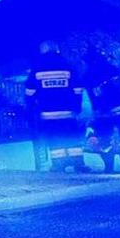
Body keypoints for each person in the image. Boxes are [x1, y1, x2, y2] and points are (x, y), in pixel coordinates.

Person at [25, 42, 84, 171]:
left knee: (54, 138)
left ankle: (59, 165)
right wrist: (77, 107)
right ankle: (78, 163)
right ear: (57, 49)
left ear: (43, 51)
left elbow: (29, 92)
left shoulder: (37, 68)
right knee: (72, 137)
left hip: (48, 113)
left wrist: (31, 109)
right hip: (68, 112)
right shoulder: (67, 66)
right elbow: (78, 89)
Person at [83, 54, 120, 174]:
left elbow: (92, 95)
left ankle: (109, 166)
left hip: (104, 111)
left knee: (105, 139)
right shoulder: (114, 71)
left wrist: (96, 111)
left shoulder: (89, 75)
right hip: (119, 110)